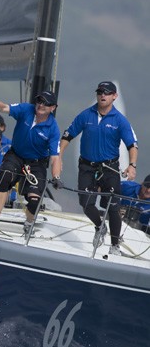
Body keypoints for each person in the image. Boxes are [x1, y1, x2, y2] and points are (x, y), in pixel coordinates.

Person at [60, 81, 139, 255]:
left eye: (107, 92)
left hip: (109, 168)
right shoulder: (85, 115)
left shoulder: (120, 120)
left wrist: (132, 165)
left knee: (113, 206)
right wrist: (59, 157)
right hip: (87, 166)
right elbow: (68, 135)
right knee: (86, 202)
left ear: (114, 96)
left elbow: (132, 145)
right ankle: (100, 226)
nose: (102, 95)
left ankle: (115, 245)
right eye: (100, 92)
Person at [0, 90, 62, 235]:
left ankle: (29, 224)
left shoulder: (53, 128)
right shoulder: (26, 109)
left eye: (46, 103)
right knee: (5, 177)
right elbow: (6, 108)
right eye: (39, 101)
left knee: (34, 200)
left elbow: (55, 157)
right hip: (16, 155)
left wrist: (56, 177)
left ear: (53, 108)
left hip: (37, 163)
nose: (41, 105)